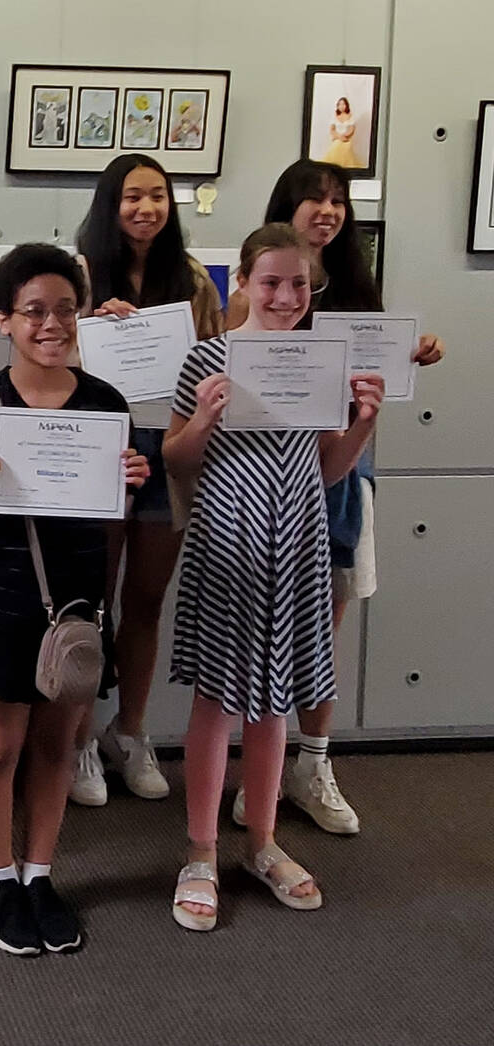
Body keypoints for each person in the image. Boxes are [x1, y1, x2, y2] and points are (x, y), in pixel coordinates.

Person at [0, 246, 150, 956]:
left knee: (58, 745)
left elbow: (110, 514)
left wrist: (131, 478)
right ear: (4, 320)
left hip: (76, 600)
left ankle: (39, 875)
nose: (51, 324)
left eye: (64, 309)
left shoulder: (105, 402)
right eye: (33, 311)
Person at [164, 224, 383, 932]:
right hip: (228, 542)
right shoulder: (206, 359)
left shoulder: (323, 362)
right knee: (217, 701)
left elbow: (327, 468)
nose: (286, 296)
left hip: (298, 543)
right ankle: (200, 851)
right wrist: (203, 418)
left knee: (274, 702)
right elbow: (175, 460)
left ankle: (260, 841)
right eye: (271, 282)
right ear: (245, 285)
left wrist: (363, 424)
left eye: (299, 283)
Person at [224, 159, 446, 836]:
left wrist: (416, 354)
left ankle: (312, 765)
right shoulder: (254, 291)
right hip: (268, 489)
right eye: (313, 198)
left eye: (338, 200)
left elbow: (375, 380)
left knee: (325, 626)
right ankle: (254, 777)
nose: (327, 210)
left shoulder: (355, 289)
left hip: (345, 477)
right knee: (257, 637)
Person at [71, 152, 223, 808]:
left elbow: (217, 359)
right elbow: (44, 352)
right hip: (97, 453)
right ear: (111, 203)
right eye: (132, 196)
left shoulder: (190, 278)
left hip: (169, 452)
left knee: (147, 599)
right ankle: (77, 735)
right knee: (89, 599)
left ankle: (128, 730)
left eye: (158, 196)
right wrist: (87, 333)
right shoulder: (79, 271)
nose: (146, 208)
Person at [320, 98, 361, 169]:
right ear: (337, 106)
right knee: (336, 146)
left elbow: (351, 129)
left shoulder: (350, 116)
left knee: (346, 149)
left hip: (346, 139)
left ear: (346, 106)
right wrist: (338, 136)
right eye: (340, 104)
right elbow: (332, 129)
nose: (341, 106)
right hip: (337, 138)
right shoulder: (335, 116)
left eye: (343, 104)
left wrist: (345, 136)